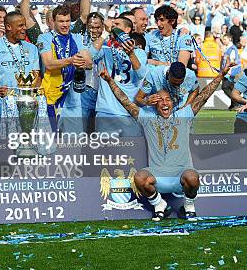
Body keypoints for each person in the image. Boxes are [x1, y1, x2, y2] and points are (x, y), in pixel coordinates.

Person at [100, 61, 234, 221]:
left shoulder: (184, 115)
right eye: (160, 100)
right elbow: (125, 102)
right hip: (158, 177)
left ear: (172, 103)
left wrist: (221, 74)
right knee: (139, 178)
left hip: (181, 175)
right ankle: (159, 204)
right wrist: (109, 81)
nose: (164, 103)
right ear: (155, 104)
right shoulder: (147, 118)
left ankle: (189, 206)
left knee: (193, 177)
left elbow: (204, 95)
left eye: (168, 100)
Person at [0, 11, 41, 139]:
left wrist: (34, 95)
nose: (24, 28)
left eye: (24, 25)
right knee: (2, 150)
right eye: (20, 25)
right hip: (1, 108)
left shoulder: (32, 49)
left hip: (27, 109)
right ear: (8, 27)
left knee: (27, 147)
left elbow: (37, 77)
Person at [38, 5, 94, 133]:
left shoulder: (76, 38)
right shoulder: (44, 38)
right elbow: (48, 64)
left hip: (73, 99)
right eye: (61, 21)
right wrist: (71, 60)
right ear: (53, 21)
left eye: (67, 21)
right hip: (51, 98)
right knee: (50, 142)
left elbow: (89, 63)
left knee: (75, 143)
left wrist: (84, 63)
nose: (65, 25)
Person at [93, 19, 147, 137]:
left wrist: (131, 54)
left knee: (131, 154)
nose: (113, 26)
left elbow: (141, 74)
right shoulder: (105, 50)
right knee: (105, 154)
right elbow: (89, 55)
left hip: (129, 111)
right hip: (106, 111)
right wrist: (105, 33)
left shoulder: (139, 52)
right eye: (112, 24)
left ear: (127, 30)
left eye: (117, 24)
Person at [135, 62, 200, 110]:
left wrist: (186, 107)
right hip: (158, 114)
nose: (177, 86)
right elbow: (138, 98)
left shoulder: (191, 75)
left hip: (179, 112)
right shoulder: (153, 75)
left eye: (180, 83)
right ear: (168, 73)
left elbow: (195, 89)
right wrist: (146, 102)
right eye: (174, 83)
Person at [221, 34, 241, 110]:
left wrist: (228, 71)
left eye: (225, 39)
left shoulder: (232, 49)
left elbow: (232, 61)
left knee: (225, 87)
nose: (223, 41)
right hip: (230, 72)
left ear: (229, 39)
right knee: (232, 88)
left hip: (231, 72)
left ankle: (236, 103)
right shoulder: (228, 48)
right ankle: (234, 105)